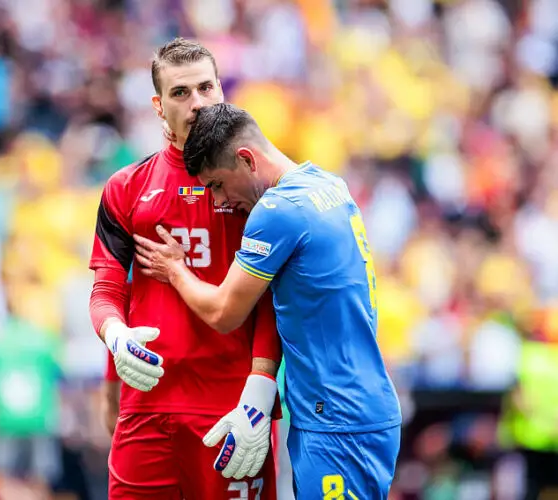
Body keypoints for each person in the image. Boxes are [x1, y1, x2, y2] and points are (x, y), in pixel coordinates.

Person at [134, 103, 402, 499]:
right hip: (357, 406)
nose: (220, 202)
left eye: (217, 185)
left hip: (337, 419)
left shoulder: (278, 211)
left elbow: (224, 312)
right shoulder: (328, 185)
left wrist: (175, 268)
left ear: (246, 159)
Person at [88, 40, 282, 499]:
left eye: (206, 88)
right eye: (180, 93)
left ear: (222, 92)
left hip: (231, 411)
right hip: (147, 408)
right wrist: (115, 338)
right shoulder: (126, 188)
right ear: (158, 105)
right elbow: (107, 289)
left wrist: (259, 393)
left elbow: (274, 301)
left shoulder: (255, 184)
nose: (197, 103)